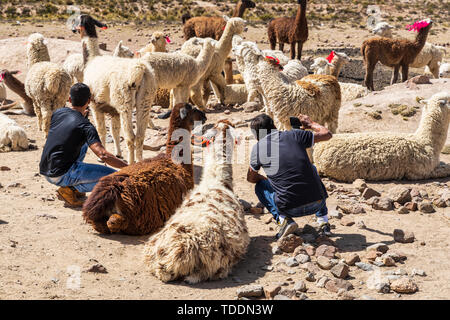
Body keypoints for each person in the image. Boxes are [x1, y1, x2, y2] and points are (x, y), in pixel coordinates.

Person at [39, 83, 128, 208]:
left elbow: (66, 132)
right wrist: (128, 168)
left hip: (45, 170)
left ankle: (71, 188)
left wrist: (82, 117)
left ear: (70, 99)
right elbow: (103, 155)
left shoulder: (58, 113)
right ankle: (70, 188)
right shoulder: (85, 126)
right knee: (118, 180)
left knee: (83, 143)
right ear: (89, 100)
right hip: (61, 174)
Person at [247, 114, 333, 239]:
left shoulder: (258, 148)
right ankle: (323, 221)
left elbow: (251, 178)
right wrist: (310, 123)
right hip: (317, 203)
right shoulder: (295, 134)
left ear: (256, 135)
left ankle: (284, 221)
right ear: (274, 126)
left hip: (290, 209)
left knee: (260, 186)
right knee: (312, 168)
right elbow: (327, 134)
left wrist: (264, 179)